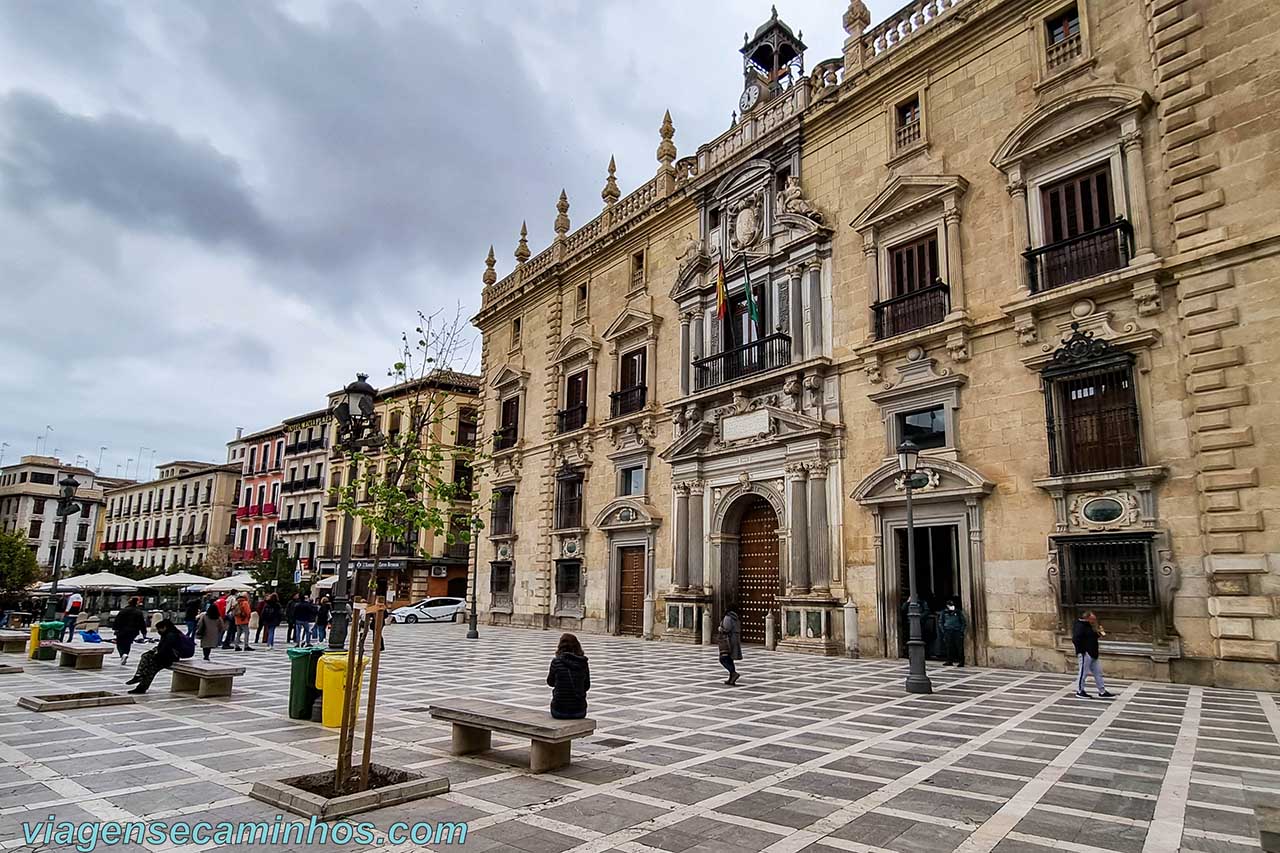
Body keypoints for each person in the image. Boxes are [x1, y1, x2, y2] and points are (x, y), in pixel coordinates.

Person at [125, 619, 188, 694]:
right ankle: (139, 678)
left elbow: (165, 649)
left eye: (159, 629)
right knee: (146, 657)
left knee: (151, 668)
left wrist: (156, 656)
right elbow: (161, 647)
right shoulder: (168, 634)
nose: (158, 631)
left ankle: (140, 682)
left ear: (164, 627)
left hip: (169, 658)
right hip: (166, 657)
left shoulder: (171, 635)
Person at [546, 633, 590, 719]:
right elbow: (587, 686)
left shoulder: (556, 662)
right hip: (579, 711)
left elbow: (550, 683)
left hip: (559, 711)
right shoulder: (583, 663)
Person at [1073, 611, 1114, 699]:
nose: (1094, 621)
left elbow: (1090, 637)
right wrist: (1082, 651)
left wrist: (1098, 634)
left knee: (1098, 672)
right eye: (1093, 619)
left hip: (1093, 652)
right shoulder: (1080, 626)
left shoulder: (1088, 626)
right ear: (1087, 618)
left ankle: (1102, 691)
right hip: (1086, 653)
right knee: (1083, 673)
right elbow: (1076, 639)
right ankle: (1080, 691)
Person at [113, 597, 147, 666]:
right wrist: (144, 632)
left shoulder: (123, 610)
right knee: (128, 643)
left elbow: (117, 620)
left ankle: (122, 654)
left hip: (122, 630)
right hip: (133, 631)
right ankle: (125, 654)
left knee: (120, 643)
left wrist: (115, 628)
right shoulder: (138, 612)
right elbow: (142, 623)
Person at [939, 597, 967, 667]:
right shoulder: (944, 612)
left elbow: (963, 622)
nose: (951, 606)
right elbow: (941, 622)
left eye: (952, 605)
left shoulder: (958, 612)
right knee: (949, 647)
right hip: (948, 631)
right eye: (950, 605)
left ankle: (961, 661)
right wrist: (943, 630)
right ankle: (949, 660)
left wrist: (961, 631)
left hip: (957, 631)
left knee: (959, 647)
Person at [718, 608, 743, 686]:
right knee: (729, 659)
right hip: (734, 640)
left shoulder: (728, 617)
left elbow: (726, 629)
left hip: (728, 641)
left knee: (723, 658)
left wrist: (720, 628)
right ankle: (731, 678)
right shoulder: (736, 618)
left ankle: (733, 673)